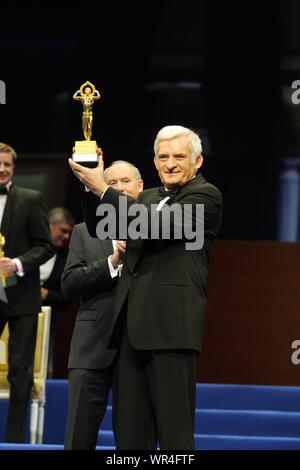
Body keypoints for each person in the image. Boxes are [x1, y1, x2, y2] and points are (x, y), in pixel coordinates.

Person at [68, 125, 223, 450]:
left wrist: (104, 190)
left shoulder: (206, 196)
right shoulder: (149, 197)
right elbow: (101, 226)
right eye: (163, 156)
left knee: (174, 435)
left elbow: (158, 225)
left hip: (171, 331)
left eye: (179, 156)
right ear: (154, 161)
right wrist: (92, 184)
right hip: (130, 331)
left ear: (197, 162)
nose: (170, 163)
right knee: (130, 435)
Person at [62, 160, 143, 450]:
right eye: (111, 183)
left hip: (138, 351)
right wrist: (111, 263)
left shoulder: (158, 232)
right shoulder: (84, 231)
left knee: (135, 442)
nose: (119, 188)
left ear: (140, 187)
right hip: (90, 347)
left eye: (125, 181)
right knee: (78, 439)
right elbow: (69, 283)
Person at [0, 142, 53, 443]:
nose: (2, 169)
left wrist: (17, 263)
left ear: (14, 168)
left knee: (20, 374)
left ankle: (14, 442)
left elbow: (45, 246)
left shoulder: (31, 199)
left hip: (21, 296)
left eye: (7, 164)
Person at [39, 207, 75, 377]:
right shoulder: (25, 246)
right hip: (14, 314)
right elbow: (6, 275)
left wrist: (46, 294)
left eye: (69, 233)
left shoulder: (65, 258)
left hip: (46, 323)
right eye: (63, 231)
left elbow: (66, 297)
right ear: (49, 225)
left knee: (43, 367)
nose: (66, 236)